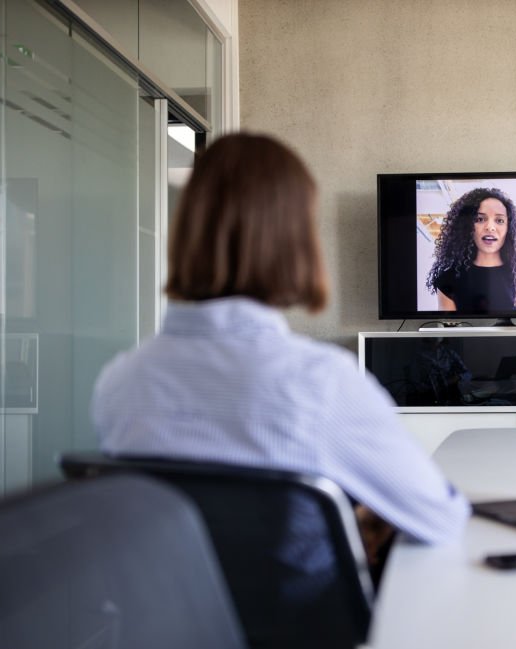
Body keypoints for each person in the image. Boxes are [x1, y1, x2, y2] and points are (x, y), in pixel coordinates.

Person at [91, 133, 469, 550]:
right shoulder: (318, 382)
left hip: (171, 614)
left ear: (187, 233)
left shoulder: (119, 382)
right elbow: (440, 518)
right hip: (313, 615)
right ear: (295, 243)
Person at [426, 187, 516, 314]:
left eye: (499, 220)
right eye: (480, 219)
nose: (490, 227)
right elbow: (447, 332)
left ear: (509, 228)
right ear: (468, 226)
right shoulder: (448, 280)